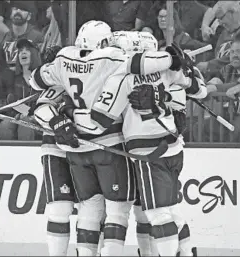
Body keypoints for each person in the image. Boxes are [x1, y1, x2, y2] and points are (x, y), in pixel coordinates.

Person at [29, 20, 184, 256]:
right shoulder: (113, 62)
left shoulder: (64, 61)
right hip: (111, 143)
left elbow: (37, 90)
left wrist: (61, 119)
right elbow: (144, 70)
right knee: (131, 210)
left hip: (70, 147)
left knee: (86, 209)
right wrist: (172, 59)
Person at [73, 31, 207, 256]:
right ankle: (185, 252)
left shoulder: (121, 77)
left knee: (158, 214)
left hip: (147, 153)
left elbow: (100, 121)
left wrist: (69, 116)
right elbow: (199, 90)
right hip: (173, 147)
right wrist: (186, 67)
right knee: (168, 209)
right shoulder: (165, 69)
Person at [31, 45, 78, 256]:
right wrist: (57, 121)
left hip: (86, 151)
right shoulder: (58, 80)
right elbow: (41, 109)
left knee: (94, 210)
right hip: (56, 149)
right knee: (60, 209)